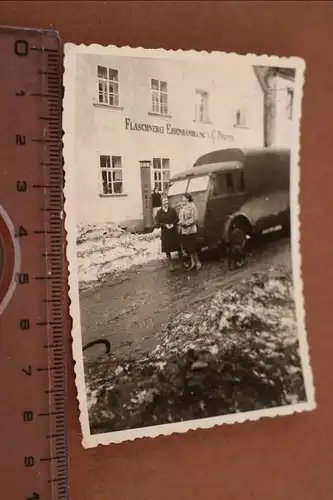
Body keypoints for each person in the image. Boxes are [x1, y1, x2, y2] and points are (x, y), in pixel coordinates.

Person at [155, 195, 182, 271]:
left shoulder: (172, 210)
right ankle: (171, 265)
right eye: (164, 201)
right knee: (167, 249)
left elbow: (177, 219)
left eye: (167, 201)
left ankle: (182, 261)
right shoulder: (159, 212)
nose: (166, 202)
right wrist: (165, 225)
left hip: (173, 231)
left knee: (178, 247)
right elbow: (158, 223)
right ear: (162, 203)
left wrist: (173, 224)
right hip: (165, 232)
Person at [178, 193, 201, 271]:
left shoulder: (193, 206)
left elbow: (195, 218)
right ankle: (192, 263)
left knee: (193, 248)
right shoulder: (183, 207)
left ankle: (198, 263)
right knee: (188, 248)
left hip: (191, 230)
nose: (182, 200)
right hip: (185, 231)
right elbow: (180, 217)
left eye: (183, 198)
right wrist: (181, 223)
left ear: (187, 198)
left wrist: (186, 223)